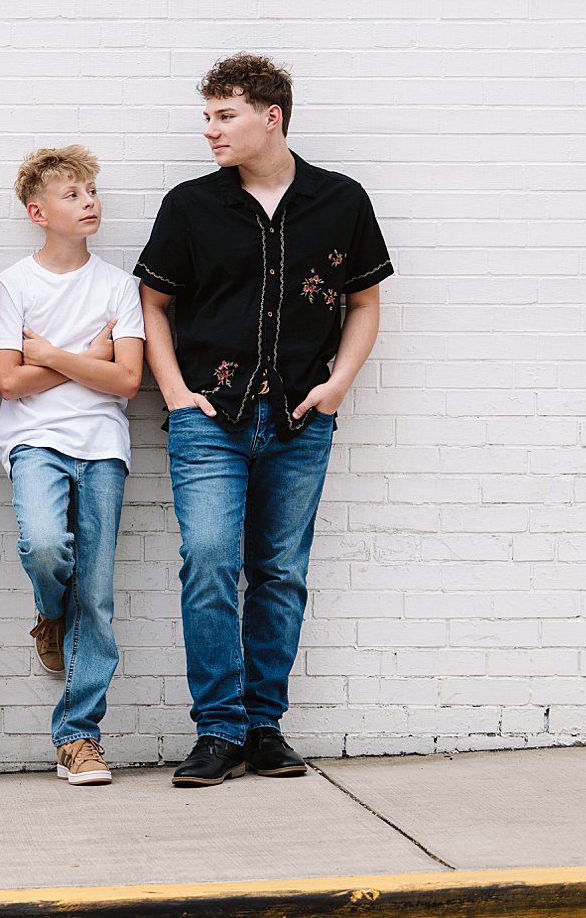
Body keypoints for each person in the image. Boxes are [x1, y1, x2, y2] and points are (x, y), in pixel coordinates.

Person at [137, 53, 393, 787]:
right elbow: (154, 304)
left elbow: (365, 302)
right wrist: (177, 392)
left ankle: (263, 726)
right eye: (207, 117)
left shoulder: (340, 200)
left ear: (269, 115)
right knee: (211, 563)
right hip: (208, 420)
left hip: (301, 419)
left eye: (225, 116)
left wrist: (339, 385)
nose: (211, 131)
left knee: (279, 572)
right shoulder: (190, 205)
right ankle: (217, 730)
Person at [0, 145, 144, 787]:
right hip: (35, 442)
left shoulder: (119, 285)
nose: (89, 203)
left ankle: (79, 738)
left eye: (92, 192)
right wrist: (84, 357)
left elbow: (128, 379)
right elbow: (9, 383)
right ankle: (52, 613)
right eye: (73, 195)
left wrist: (48, 355)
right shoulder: (14, 285)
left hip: (103, 446)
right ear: (38, 211)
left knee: (98, 597)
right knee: (46, 547)